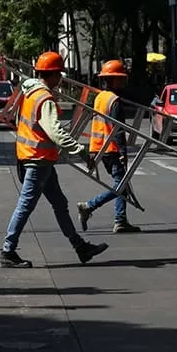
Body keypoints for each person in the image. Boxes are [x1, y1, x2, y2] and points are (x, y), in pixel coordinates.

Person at [0, 51, 109, 269]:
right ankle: (8, 251)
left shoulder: (29, 92)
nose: (60, 79)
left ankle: (80, 247)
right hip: (37, 161)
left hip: (35, 159)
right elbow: (55, 132)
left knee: (60, 204)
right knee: (25, 206)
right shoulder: (45, 98)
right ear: (50, 75)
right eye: (58, 74)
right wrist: (81, 151)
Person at [76, 60, 139, 234]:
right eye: (121, 79)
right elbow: (117, 130)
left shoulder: (100, 97)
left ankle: (121, 221)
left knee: (122, 185)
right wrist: (123, 152)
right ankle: (88, 206)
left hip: (99, 148)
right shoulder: (114, 101)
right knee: (120, 186)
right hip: (111, 148)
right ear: (113, 80)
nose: (123, 82)